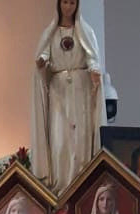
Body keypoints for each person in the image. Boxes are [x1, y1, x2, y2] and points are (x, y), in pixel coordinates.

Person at [31, 0, 106, 195]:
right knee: (60, 140)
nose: (68, 7)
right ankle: (61, 187)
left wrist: (94, 70)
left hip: (81, 93)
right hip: (59, 94)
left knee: (80, 139)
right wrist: (42, 60)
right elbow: (44, 53)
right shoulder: (51, 33)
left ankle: (81, 187)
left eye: (72, 2)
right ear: (59, 4)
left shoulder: (85, 32)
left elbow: (91, 56)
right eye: (65, 2)